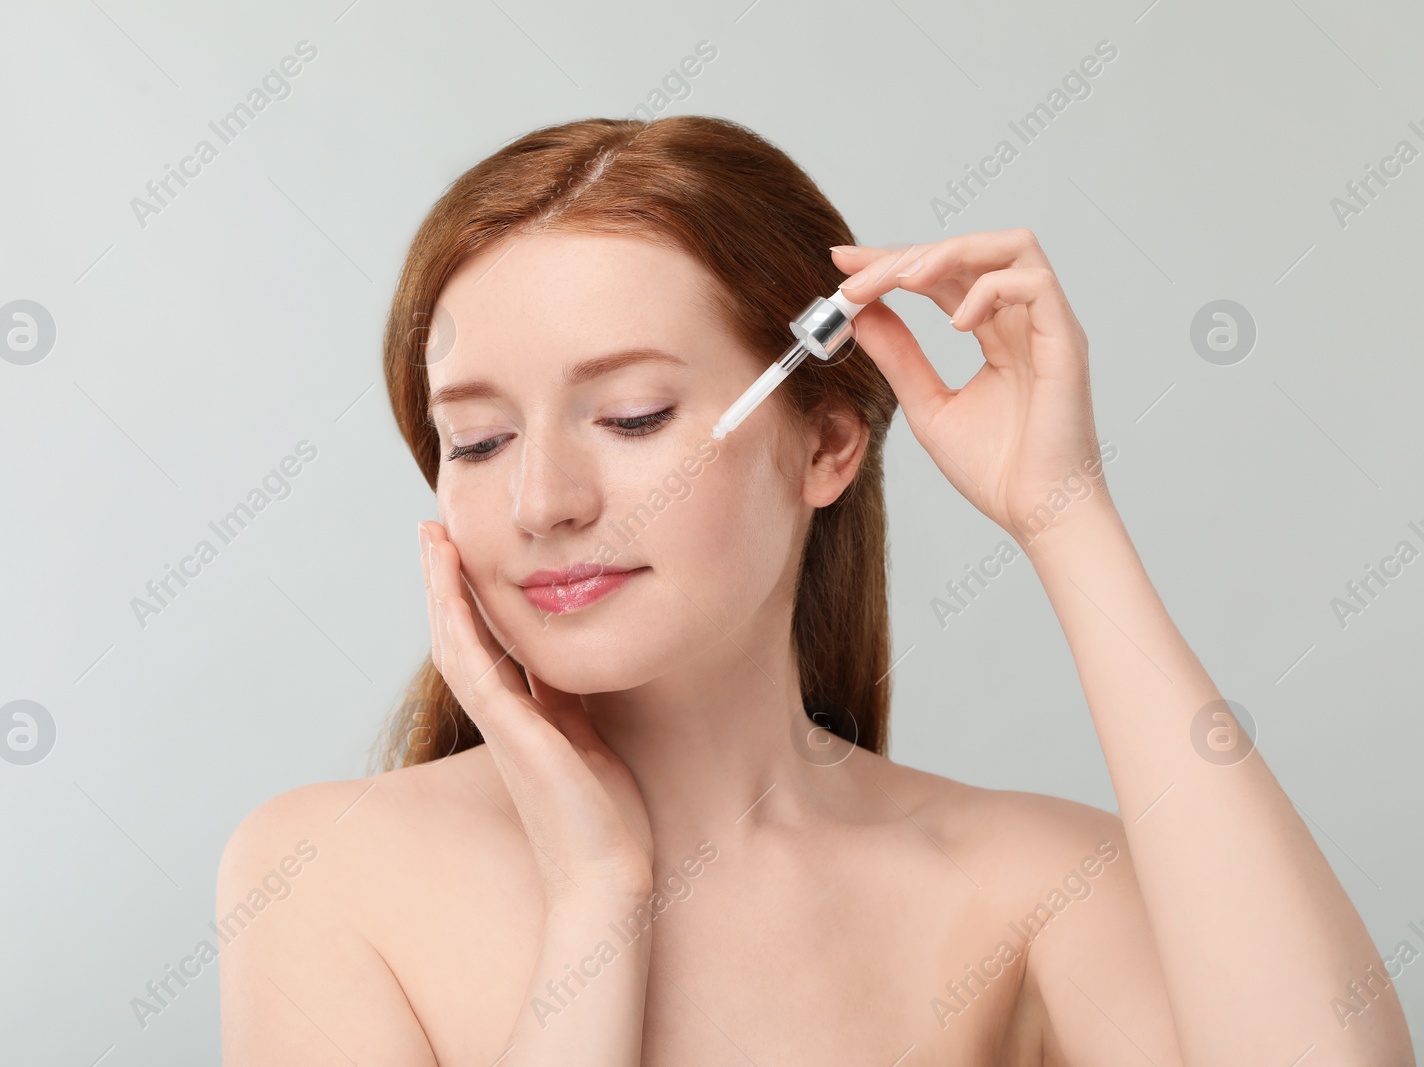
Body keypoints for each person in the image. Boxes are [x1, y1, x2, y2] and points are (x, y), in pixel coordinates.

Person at [217, 115, 1414, 1065]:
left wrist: (1063, 515)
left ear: (826, 444)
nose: (541, 500)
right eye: (475, 441)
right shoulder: (324, 874)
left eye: (630, 416)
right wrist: (596, 899)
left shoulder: (1025, 884)